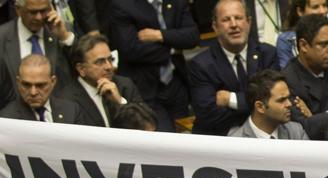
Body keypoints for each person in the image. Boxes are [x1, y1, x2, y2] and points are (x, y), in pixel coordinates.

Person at [187, 0, 278, 136]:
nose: (234, 24)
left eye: (238, 18)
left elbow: (275, 102)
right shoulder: (200, 65)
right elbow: (208, 115)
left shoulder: (268, 54)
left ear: (249, 22)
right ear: (215, 26)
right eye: (226, 20)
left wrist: (231, 99)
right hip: (219, 137)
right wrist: (257, 105)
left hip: (263, 135)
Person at [108, 0, 199, 131]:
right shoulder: (122, 5)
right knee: (163, 140)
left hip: (177, 84)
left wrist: (159, 35)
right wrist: (173, 48)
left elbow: (192, 36)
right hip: (145, 89)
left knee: (184, 138)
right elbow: (131, 50)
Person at [0, 0, 74, 83]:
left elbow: (78, 70)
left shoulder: (58, 32)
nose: (39, 17)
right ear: (18, 9)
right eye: (33, 12)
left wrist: (65, 38)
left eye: (43, 11)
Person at [65, 34, 147, 127]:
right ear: (81, 69)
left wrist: (120, 103)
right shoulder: (67, 99)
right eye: (100, 62)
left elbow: (147, 126)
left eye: (110, 59)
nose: (109, 67)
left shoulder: (125, 86)